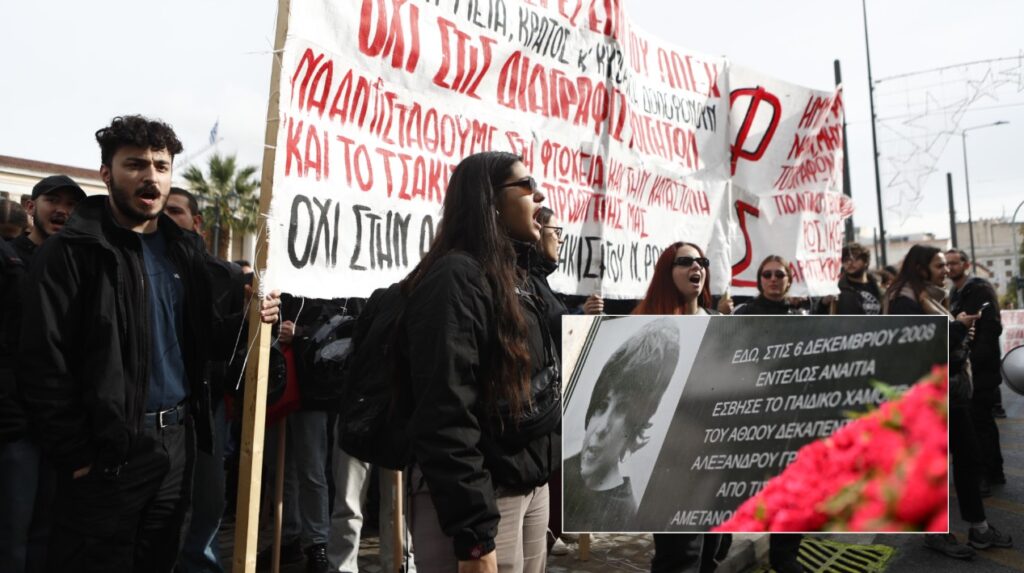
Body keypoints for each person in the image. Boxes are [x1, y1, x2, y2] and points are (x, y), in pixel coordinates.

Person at [17, 115, 281, 573]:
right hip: (106, 452)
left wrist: (252, 321)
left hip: (177, 446)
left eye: (161, 165)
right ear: (106, 173)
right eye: (135, 164)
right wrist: (77, 454)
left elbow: (207, 343)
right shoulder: (71, 253)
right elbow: (43, 362)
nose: (151, 176)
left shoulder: (186, 252)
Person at [402, 151, 559, 573]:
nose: (540, 195)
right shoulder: (455, 279)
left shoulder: (518, 278)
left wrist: (542, 262)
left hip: (528, 488)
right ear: (488, 200)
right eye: (526, 185)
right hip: (482, 501)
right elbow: (445, 413)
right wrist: (474, 537)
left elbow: (561, 343)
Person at [885, 244, 1011, 559]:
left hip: (948, 391)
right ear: (920, 268)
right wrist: (959, 328)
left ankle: (979, 528)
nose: (946, 270)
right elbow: (921, 345)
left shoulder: (926, 297)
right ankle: (935, 533)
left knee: (967, 459)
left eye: (947, 265)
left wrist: (957, 328)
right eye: (939, 265)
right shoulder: (904, 301)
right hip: (925, 396)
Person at [165, 187, 248, 573]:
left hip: (207, 405)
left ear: (196, 222)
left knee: (209, 498)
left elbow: (230, 347)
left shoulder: (227, 277)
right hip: (155, 407)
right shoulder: (135, 263)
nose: (168, 218)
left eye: (176, 212)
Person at [633, 242, 723, 573]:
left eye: (701, 261)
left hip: (714, 460)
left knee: (710, 553)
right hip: (670, 464)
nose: (696, 266)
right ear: (666, 272)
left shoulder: (719, 322)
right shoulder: (647, 325)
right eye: (685, 261)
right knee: (680, 557)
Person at [563, 317, 679, 532]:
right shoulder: (561, 473)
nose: (601, 428)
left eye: (622, 411)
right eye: (602, 405)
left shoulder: (623, 516)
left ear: (636, 425)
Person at [946, 249, 1005, 496]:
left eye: (954, 263)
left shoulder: (979, 289)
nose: (950, 268)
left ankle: (987, 475)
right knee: (978, 423)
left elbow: (990, 329)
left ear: (966, 265)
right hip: (968, 369)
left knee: (980, 424)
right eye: (946, 264)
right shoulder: (954, 293)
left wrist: (974, 360)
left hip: (980, 370)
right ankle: (992, 472)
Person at [10, 175, 86, 267]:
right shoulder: (8, 255)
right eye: (52, 200)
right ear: (31, 207)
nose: (61, 210)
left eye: (71, 204)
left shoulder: (80, 261)